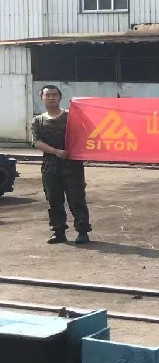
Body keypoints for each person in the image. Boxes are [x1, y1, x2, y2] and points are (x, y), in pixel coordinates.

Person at [30, 85, 92, 244]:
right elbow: (36, 142)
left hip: (72, 164)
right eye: (47, 95)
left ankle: (82, 232)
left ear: (60, 97)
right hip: (50, 165)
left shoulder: (71, 117)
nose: (51, 97)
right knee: (54, 200)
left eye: (54, 95)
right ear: (41, 98)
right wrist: (55, 151)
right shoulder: (38, 121)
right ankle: (58, 232)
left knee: (77, 198)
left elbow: (86, 132)